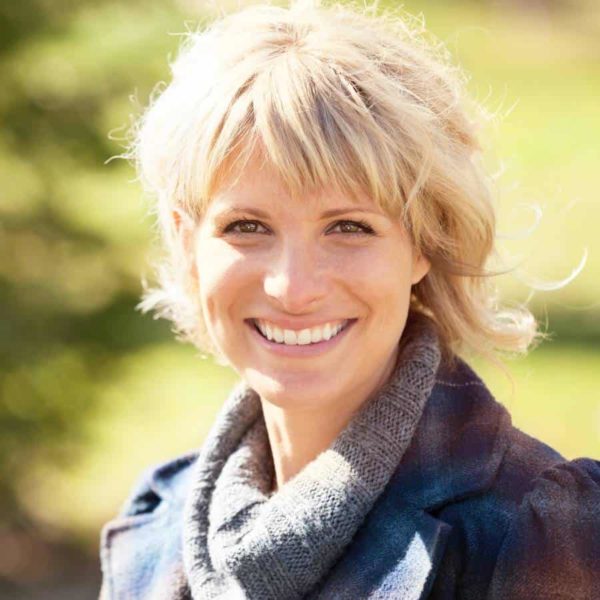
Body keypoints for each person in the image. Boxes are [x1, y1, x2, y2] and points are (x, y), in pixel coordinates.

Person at [98, 3, 600, 599]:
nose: (293, 287)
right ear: (187, 243)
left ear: (425, 243)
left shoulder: (540, 534)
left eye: (348, 227)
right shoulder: (155, 530)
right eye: (247, 227)